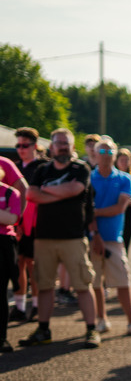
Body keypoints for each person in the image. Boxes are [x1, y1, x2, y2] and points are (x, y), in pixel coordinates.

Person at [19, 128, 100, 349]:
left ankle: (91, 330)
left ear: (72, 147)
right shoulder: (43, 170)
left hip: (73, 237)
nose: (62, 146)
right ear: (52, 146)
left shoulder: (80, 168)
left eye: (66, 143)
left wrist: (47, 190)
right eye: (58, 143)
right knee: (44, 286)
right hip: (44, 237)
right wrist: (58, 191)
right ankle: (43, 330)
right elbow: (31, 194)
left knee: (83, 285)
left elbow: (75, 189)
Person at [88, 140, 131, 337]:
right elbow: (87, 210)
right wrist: (93, 226)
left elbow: (119, 208)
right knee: (96, 281)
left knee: (123, 279)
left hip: (114, 238)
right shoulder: (89, 178)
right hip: (91, 237)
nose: (106, 154)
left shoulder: (125, 179)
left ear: (115, 155)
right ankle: (101, 319)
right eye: (102, 150)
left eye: (110, 151)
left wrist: (93, 213)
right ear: (95, 154)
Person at [10, 127, 47, 322]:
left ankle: (36, 305)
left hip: (36, 224)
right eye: (18, 145)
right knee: (18, 265)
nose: (21, 149)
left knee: (34, 266)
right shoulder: (14, 168)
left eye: (25, 145)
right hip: (16, 224)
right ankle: (19, 306)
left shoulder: (43, 167)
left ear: (34, 145)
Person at [0, 158, 26, 352]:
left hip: (4, 244)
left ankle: (2, 338)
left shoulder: (11, 193)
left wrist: (6, 216)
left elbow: (13, 218)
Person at [114, 147, 131, 253]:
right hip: (113, 217)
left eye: (127, 160)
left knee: (125, 249)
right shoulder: (112, 177)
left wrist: (116, 201)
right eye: (122, 160)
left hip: (127, 217)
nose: (124, 163)